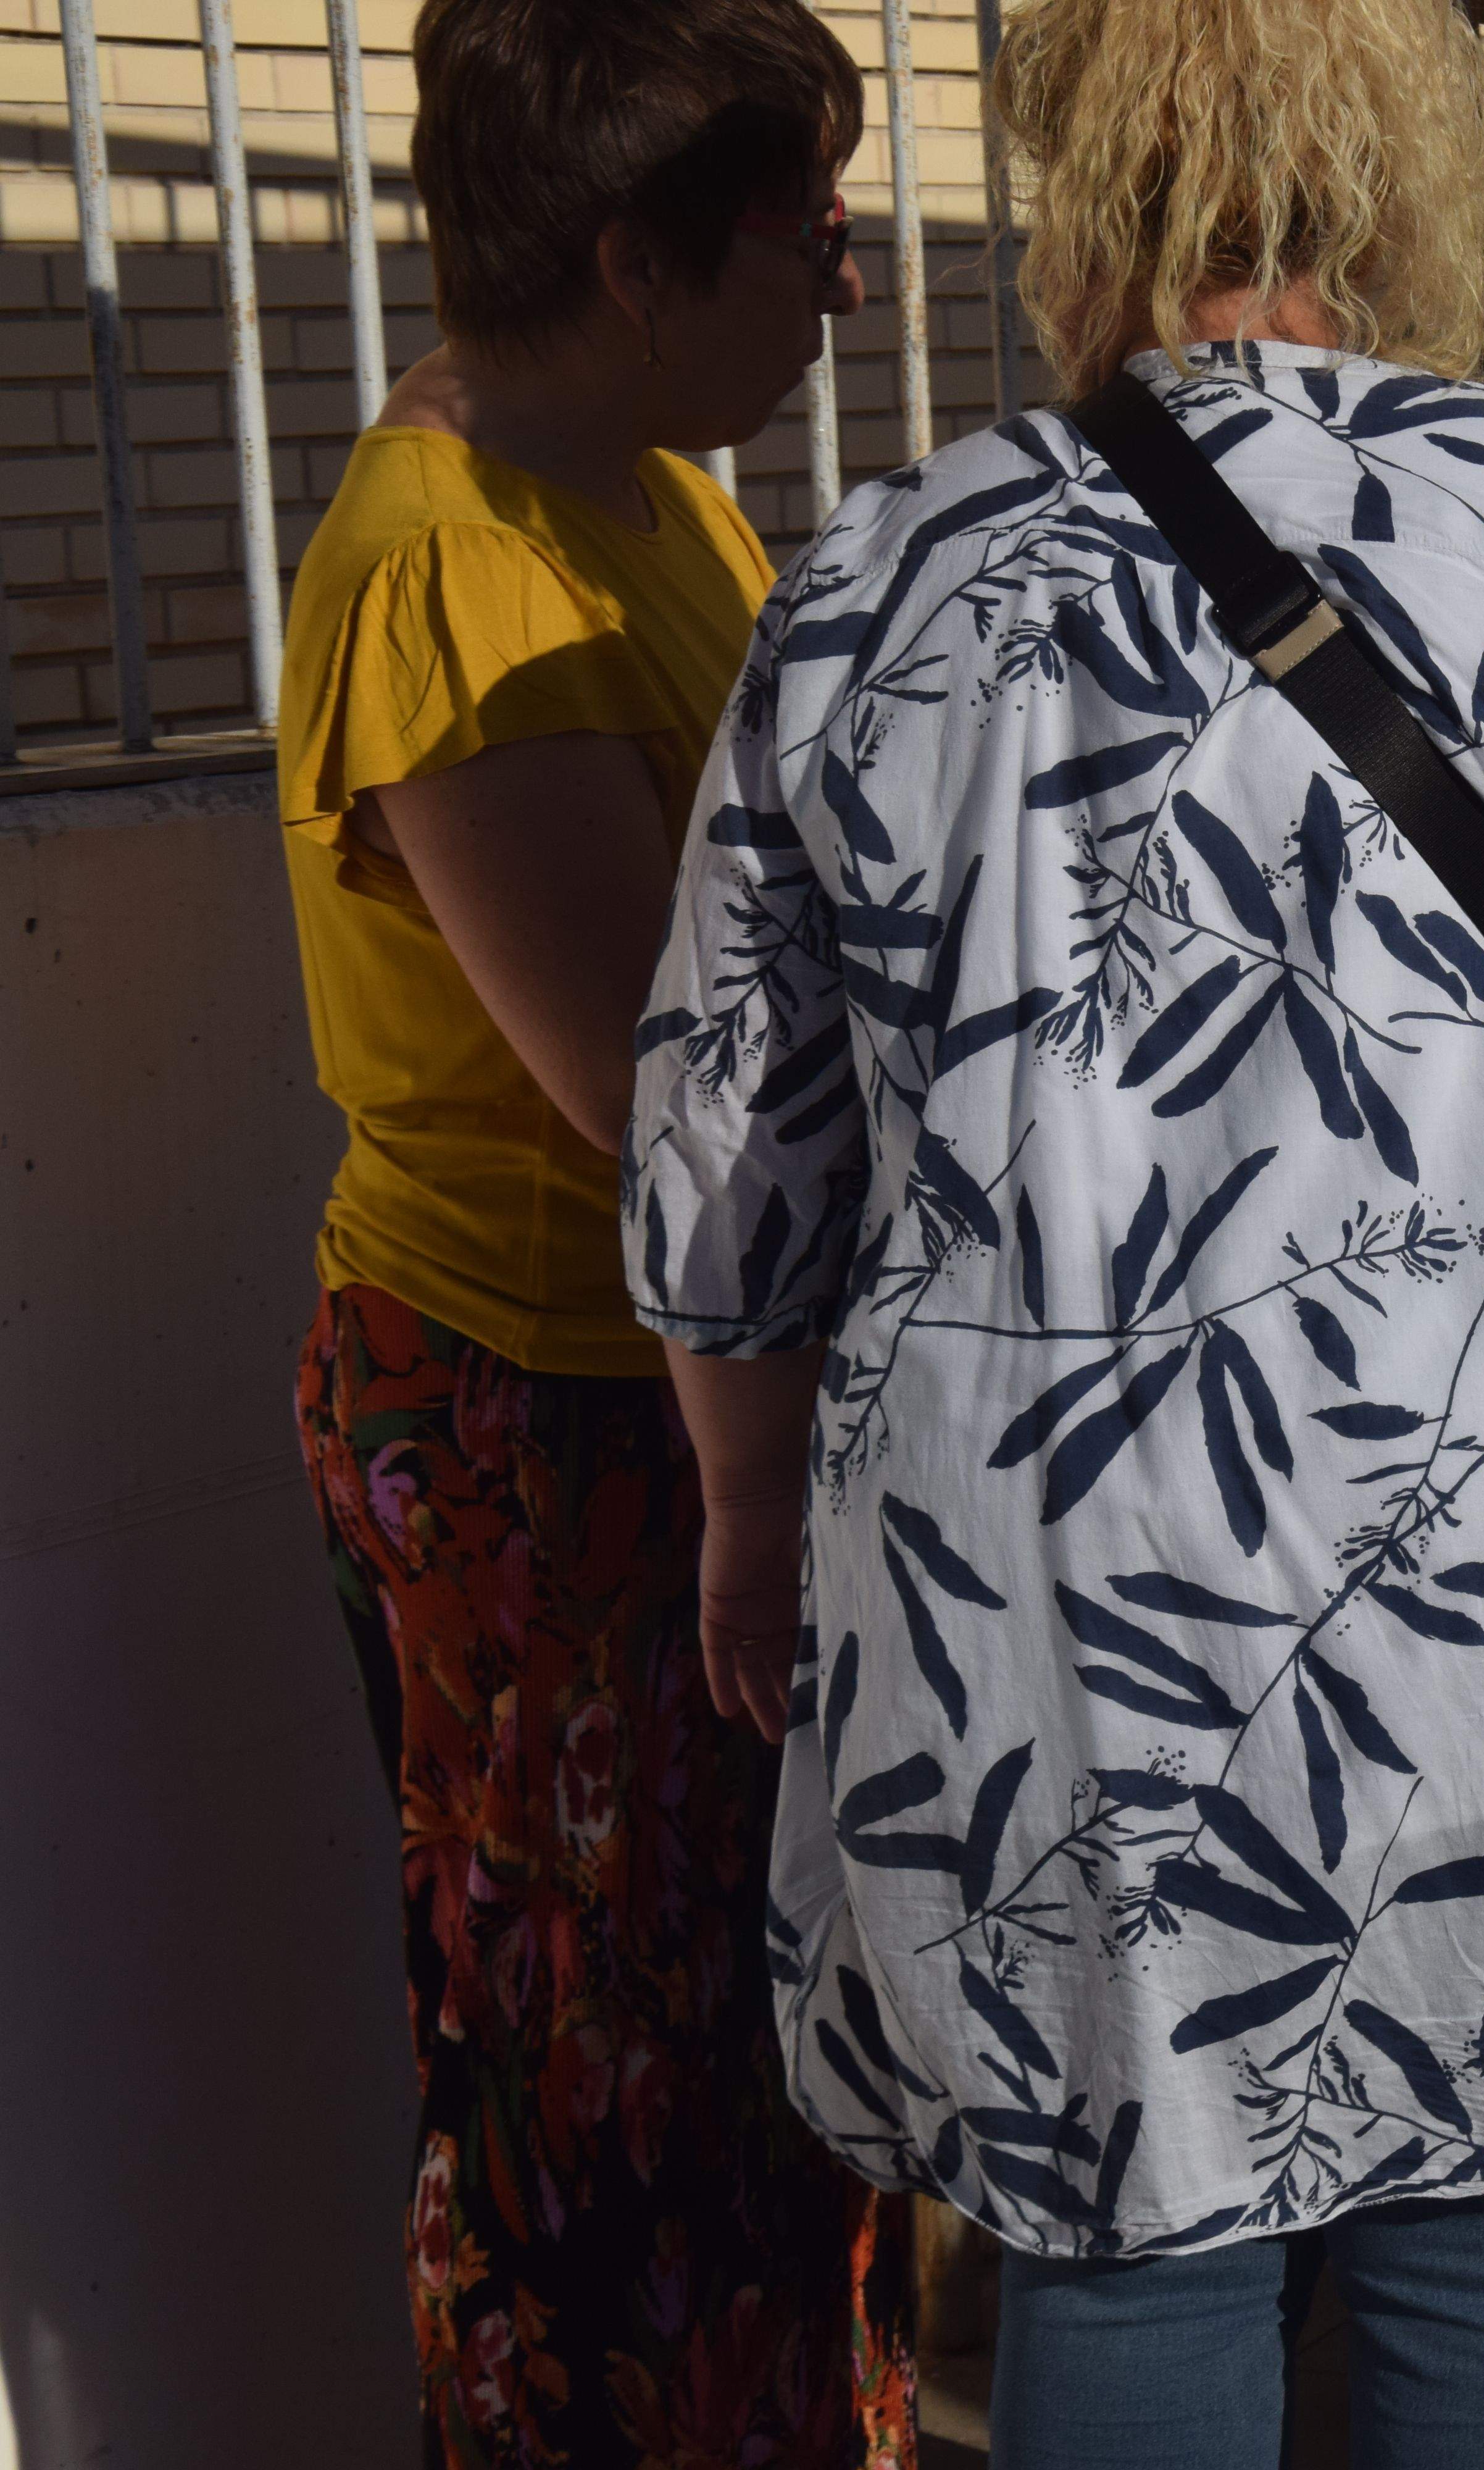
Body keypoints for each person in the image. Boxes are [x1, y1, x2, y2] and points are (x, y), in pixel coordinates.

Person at [619, 1, 1484, 2463]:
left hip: (1065, 1601)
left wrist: (745, 1509)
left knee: (1124, 2249)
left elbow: (729, 1173)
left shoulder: (893, 577)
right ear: (1409, 172)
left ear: (1078, 181)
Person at [273, 4, 908, 2461]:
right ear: (640, 260)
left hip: (697, 1399)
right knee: (588, 2098)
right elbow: (682, 1097)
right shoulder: (455, 580)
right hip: (554, 1425)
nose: (847, 281)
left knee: (754, 2066)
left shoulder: (641, 489)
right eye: (806, 232)